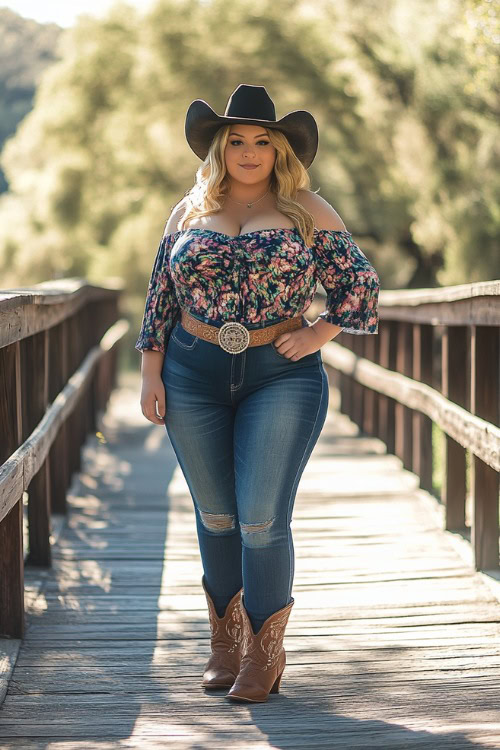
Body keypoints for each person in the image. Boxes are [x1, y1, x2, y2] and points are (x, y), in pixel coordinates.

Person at [135, 83, 380, 703]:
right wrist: (150, 372)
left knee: (262, 520)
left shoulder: (307, 209)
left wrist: (320, 331)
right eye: (237, 141)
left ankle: (264, 656)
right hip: (193, 372)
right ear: (220, 148)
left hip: (281, 374)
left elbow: (360, 286)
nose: (249, 152)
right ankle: (225, 644)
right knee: (217, 515)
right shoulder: (189, 210)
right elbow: (161, 296)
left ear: (280, 151)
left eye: (262, 142)